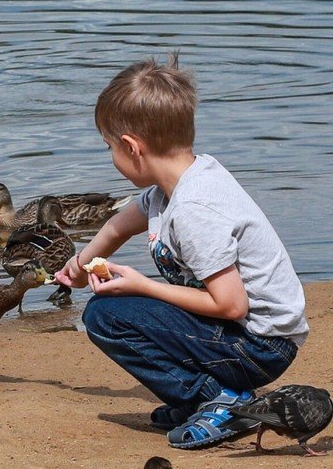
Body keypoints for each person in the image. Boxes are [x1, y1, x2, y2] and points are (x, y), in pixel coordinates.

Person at [55, 54, 308, 449]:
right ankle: (205, 396)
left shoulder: (193, 210)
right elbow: (124, 221)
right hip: (250, 333)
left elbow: (231, 306)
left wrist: (143, 286)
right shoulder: (179, 180)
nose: (110, 156)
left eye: (108, 146)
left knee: (105, 317)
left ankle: (218, 400)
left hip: (260, 343)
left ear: (131, 147)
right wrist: (81, 263)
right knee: (115, 310)